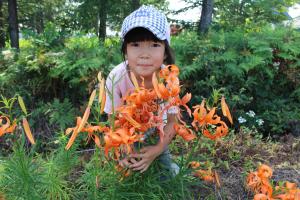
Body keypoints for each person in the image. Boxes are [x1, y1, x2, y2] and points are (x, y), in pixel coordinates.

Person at [104, 5, 179, 176]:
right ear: (125, 50)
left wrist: (157, 149)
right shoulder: (116, 77)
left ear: (165, 52)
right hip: (126, 132)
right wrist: (123, 149)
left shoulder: (169, 78)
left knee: (169, 174)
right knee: (124, 175)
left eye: (154, 45)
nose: (144, 54)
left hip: (158, 130)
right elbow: (112, 122)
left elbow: (173, 122)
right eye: (136, 44)